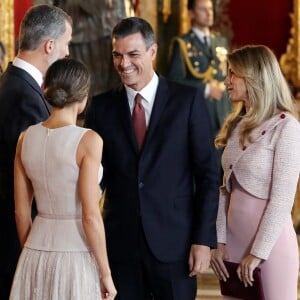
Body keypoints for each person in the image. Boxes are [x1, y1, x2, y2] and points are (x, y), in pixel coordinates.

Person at [85, 16, 219, 300]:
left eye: (133, 54)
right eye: (117, 55)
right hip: (120, 247)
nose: (124, 64)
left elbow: (208, 174)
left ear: (153, 52)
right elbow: (94, 179)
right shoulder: (101, 107)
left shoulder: (188, 101)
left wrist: (203, 240)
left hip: (176, 246)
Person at [10, 58, 117, 300]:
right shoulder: (88, 140)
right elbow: (90, 215)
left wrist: (33, 251)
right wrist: (106, 273)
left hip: (33, 249)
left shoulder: (25, 138)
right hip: (75, 252)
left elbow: (21, 213)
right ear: (83, 97)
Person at [210, 45, 300, 300]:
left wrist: (258, 253)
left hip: (270, 250)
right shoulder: (237, 125)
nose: (226, 80)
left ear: (254, 76)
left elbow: (283, 199)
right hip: (233, 248)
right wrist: (220, 242)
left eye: (233, 73)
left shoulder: (287, 127)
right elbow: (224, 190)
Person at [0, 5, 72, 299]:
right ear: (50, 45)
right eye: (67, 43)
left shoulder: (14, 84)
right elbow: (35, 176)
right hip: (16, 241)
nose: (67, 53)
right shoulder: (24, 98)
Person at [168, 0, 231, 178]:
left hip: (223, 117)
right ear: (191, 13)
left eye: (210, 9)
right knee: (202, 175)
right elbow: (174, 82)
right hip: (198, 117)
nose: (209, 13)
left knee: (223, 175)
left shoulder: (220, 41)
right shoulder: (182, 44)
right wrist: (204, 89)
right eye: (203, 10)